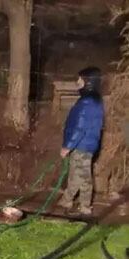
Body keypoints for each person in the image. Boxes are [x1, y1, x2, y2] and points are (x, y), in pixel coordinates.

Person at [58, 66, 105, 216]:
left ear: (88, 82)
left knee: (83, 176)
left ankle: (85, 206)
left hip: (82, 145)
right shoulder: (89, 100)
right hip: (82, 144)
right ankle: (67, 199)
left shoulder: (88, 103)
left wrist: (67, 146)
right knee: (75, 173)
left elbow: (80, 127)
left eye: (80, 79)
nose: (77, 82)